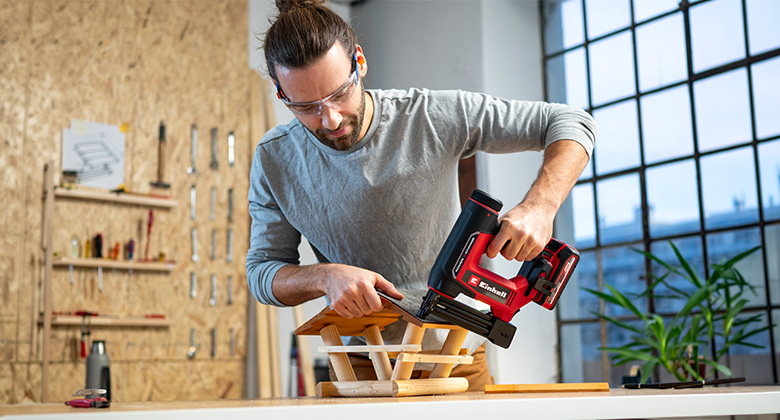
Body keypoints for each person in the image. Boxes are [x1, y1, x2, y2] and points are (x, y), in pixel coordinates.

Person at [247, 0, 596, 390]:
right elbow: (262, 271)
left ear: (359, 62)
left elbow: (569, 122)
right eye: (306, 106)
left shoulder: (430, 115)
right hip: (362, 367)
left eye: (340, 93)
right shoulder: (274, 159)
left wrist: (540, 206)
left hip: (456, 356)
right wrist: (325, 277)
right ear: (280, 95)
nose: (329, 119)